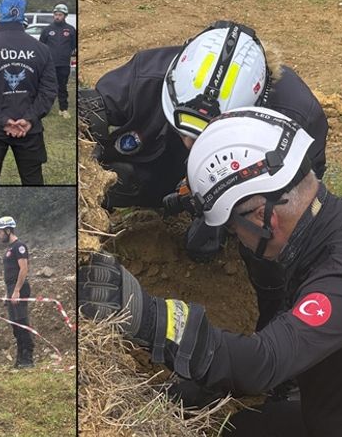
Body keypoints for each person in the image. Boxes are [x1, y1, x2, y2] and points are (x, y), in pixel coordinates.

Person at [80, 107, 342, 435]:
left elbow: (265, 361)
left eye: (233, 230)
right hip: (327, 407)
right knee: (232, 428)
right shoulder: (339, 224)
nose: (236, 240)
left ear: (263, 217)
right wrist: (214, 383)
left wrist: (147, 317)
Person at [80, 20, 328, 325]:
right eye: (186, 131)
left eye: (203, 137)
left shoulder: (296, 119)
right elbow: (94, 108)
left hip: (243, 181)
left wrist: (222, 216)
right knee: (115, 178)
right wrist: (87, 123)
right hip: (160, 169)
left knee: (264, 241)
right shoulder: (152, 75)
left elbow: (299, 203)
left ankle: (270, 319)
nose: (190, 144)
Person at [0, 0, 58, 185]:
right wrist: (29, 119)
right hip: (29, 129)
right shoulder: (41, 49)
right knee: (33, 183)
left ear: (1, 14)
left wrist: (3, 121)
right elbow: (49, 90)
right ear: (22, 14)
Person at [0, 216, 34, 368]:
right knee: (15, 326)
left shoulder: (19, 246)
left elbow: (24, 269)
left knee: (22, 324)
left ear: (8, 230)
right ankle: (20, 360)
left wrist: (16, 291)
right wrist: (8, 293)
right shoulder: (9, 249)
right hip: (11, 289)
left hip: (20, 288)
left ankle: (28, 359)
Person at [39, 3, 76, 119]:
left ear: (65, 16)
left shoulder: (70, 30)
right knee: (48, 87)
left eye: (60, 15)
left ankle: (63, 109)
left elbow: (73, 46)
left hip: (64, 64)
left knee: (62, 87)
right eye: (56, 14)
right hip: (49, 64)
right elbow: (42, 46)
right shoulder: (47, 30)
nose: (57, 17)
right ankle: (44, 109)